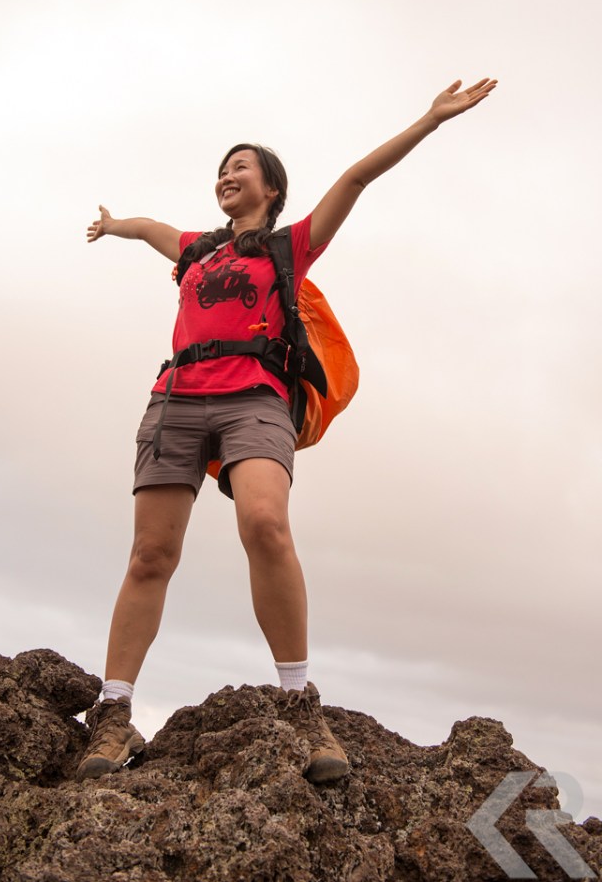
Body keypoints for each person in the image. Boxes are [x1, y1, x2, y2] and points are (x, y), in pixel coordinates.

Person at [77, 77, 497, 783]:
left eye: (241, 167)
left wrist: (429, 119)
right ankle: (113, 713)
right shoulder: (197, 250)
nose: (226, 175)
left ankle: (301, 702)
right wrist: (115, 225)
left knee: (266, 524)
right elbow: (153, 229)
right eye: (221, 168)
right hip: (175, 397)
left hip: (255, 398)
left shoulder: (290, 247)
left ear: (271, 189)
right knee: (150, 553)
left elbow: (357, 177)